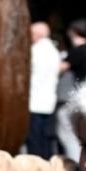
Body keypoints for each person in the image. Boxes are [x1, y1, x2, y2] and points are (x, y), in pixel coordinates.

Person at [55, 19, 86, 161]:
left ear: (73, 32)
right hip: (80, 95)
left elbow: (59, 69)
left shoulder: (78, 51)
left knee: (67, 134)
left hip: (69, 97)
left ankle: (74, 166)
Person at [28, 21, 61, 158]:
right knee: (46, 141)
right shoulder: (54, 51)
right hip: (48, 101)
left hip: (34, 101)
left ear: (37, 34)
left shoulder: (35, 51)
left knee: (35, 142)